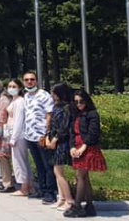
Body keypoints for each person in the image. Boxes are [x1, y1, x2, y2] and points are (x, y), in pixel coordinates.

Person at [68, 89, 106, 218]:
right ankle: (90, 206)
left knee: (80, 175)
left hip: (88, 147)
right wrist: (72, 147)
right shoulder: (76, 114)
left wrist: (83, 147)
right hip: (77, 146)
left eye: (81, 101)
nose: (79, 104)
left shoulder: (92, 114)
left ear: (87, 100)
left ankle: (77, 205)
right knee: (84, 177)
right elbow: (72, 133)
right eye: (76, 102)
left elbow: (93, 133)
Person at [22, 71, 56, 203]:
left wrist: (46, 133)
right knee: (39, 165)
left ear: (36, 80)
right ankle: (41, 189)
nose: (29, 82)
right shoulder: (26, 96)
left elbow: (49, 114)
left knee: (48, 165)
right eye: (26, 80)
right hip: (30, 136)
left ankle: (50, 192)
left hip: (42, 136)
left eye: (32, 79)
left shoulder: (44, 95)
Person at [49, 83, 75, 211]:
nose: (52, 95)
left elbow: (64, 127)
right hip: (56, 140)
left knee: (59, 172)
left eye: (53, 93)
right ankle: (61, 198)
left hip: (62, 142)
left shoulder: (66, 108)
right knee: (57, 171)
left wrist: (54, 139)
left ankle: (69, 200)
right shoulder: (56, 106)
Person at [6, 79, 32, 197]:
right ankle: (29, 186)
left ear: (20, 88)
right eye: (10, 86)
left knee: (19, 161)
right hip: (12, 133)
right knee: (20, 160)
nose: (11, 88)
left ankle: (24, 188)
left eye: (14, 86)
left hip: (18, 135)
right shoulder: (14, 100)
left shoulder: (20, 102)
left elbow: (18, 121)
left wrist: (13, 138)